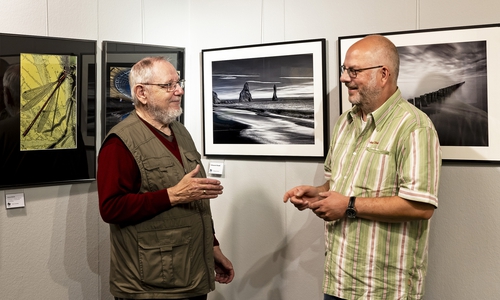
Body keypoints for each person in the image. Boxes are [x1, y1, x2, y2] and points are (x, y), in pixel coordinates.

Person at [283, 35, 441, 300]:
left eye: (353, 71)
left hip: (384, 289)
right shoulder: (344, 122)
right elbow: (338, 184)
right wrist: (317, 193)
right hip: (338, 281)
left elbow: (421, 207)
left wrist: (348, 206)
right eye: (345, 70)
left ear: (383, 74)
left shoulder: (415, 127)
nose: (344, 78)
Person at [97, 56, 234, 300]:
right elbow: (111, 208)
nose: (179, 90)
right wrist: (171, 195)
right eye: (168, 85)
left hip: (192, 275)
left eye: (178, 83)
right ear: (142, 93)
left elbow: (195, 198)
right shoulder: (119, 143)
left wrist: (212, 247)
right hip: (149, 286)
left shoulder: (180, 131)